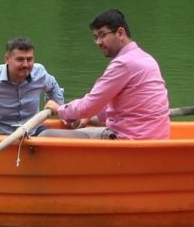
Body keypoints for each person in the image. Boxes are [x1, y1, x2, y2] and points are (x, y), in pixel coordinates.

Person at [41, 9, 169, 140]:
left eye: (102, 35)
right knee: (88, 126)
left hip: (129, 141)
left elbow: (90, 105)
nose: (98, 42)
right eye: (96, 37)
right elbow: (123, 107)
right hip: (156, 138)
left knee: (46, 135)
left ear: (120, 33)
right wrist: (88, 117)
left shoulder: (123, 64)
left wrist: (60, 110)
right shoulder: (147, 59)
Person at [0, 37, 65, 135]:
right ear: (7, 59)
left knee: (58, 137)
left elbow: (53, 87)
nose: (25, 64)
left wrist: (61, 110)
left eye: (29, 59)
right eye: (20, 59)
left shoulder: (40, 73)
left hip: (33, 132)